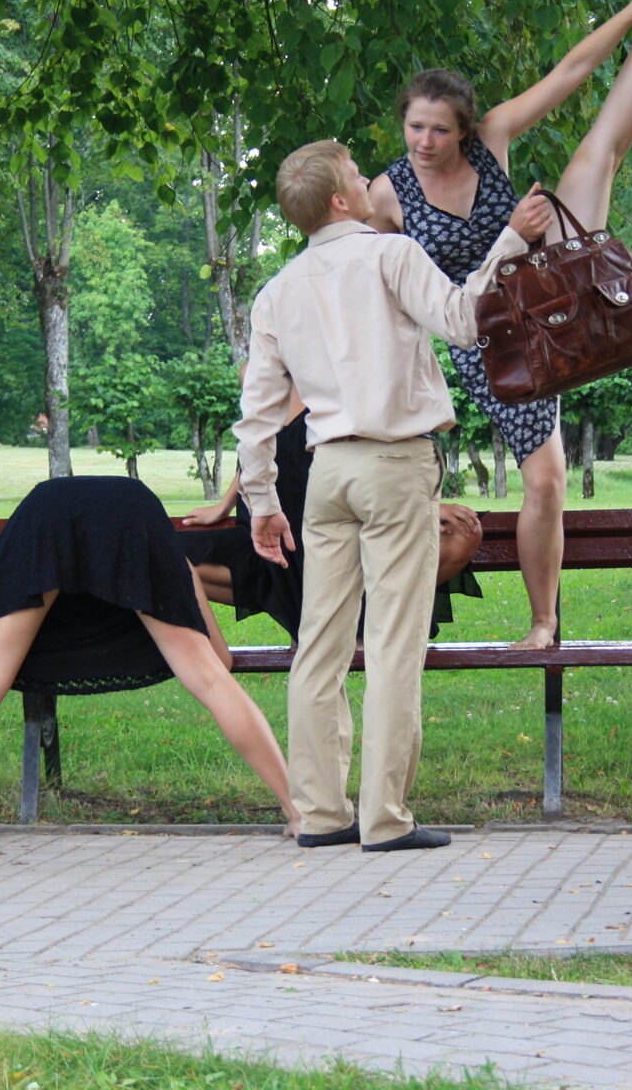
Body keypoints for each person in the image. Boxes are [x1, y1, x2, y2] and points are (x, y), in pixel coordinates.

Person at [236, 140, 552, 852]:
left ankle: (320, 814)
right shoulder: (391, 255)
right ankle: (384, 819)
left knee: (318, 646)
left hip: (326, 472)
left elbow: (257, 414)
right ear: (340, 200)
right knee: (392, 644)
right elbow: (464, 321)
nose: (370, 180)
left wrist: (262, 502)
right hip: (395, 464)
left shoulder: (278, 290)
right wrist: (509, 241)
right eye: (356, 174)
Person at [367, 0, 632, 650]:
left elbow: (571, 70)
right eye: (414, 127)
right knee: (545, 478)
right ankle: (543, 623)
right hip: (492, 338)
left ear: (464, 130)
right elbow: (379, 291)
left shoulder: (492, 139)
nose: (424, 142)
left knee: (598, 153)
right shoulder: (387, 194)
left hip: (545, 283)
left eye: (439, 131)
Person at [0, 476, 299, 855]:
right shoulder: (147, 547)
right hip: (130, 512)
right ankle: (297, 813)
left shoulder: (59, 536)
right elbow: (217, 664)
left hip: (44, 512)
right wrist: (206, 652)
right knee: (209, 681)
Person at [180, 381, 484, 643]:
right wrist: (225, 504)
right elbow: (254, 447)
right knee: (168, 555)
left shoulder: (354, 369)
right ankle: (216, 659)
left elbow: (391, 452)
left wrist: (424, 505)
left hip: (344, 517)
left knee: (463, 533)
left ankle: (372, 620)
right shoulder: (262, 368)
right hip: (276, 527)